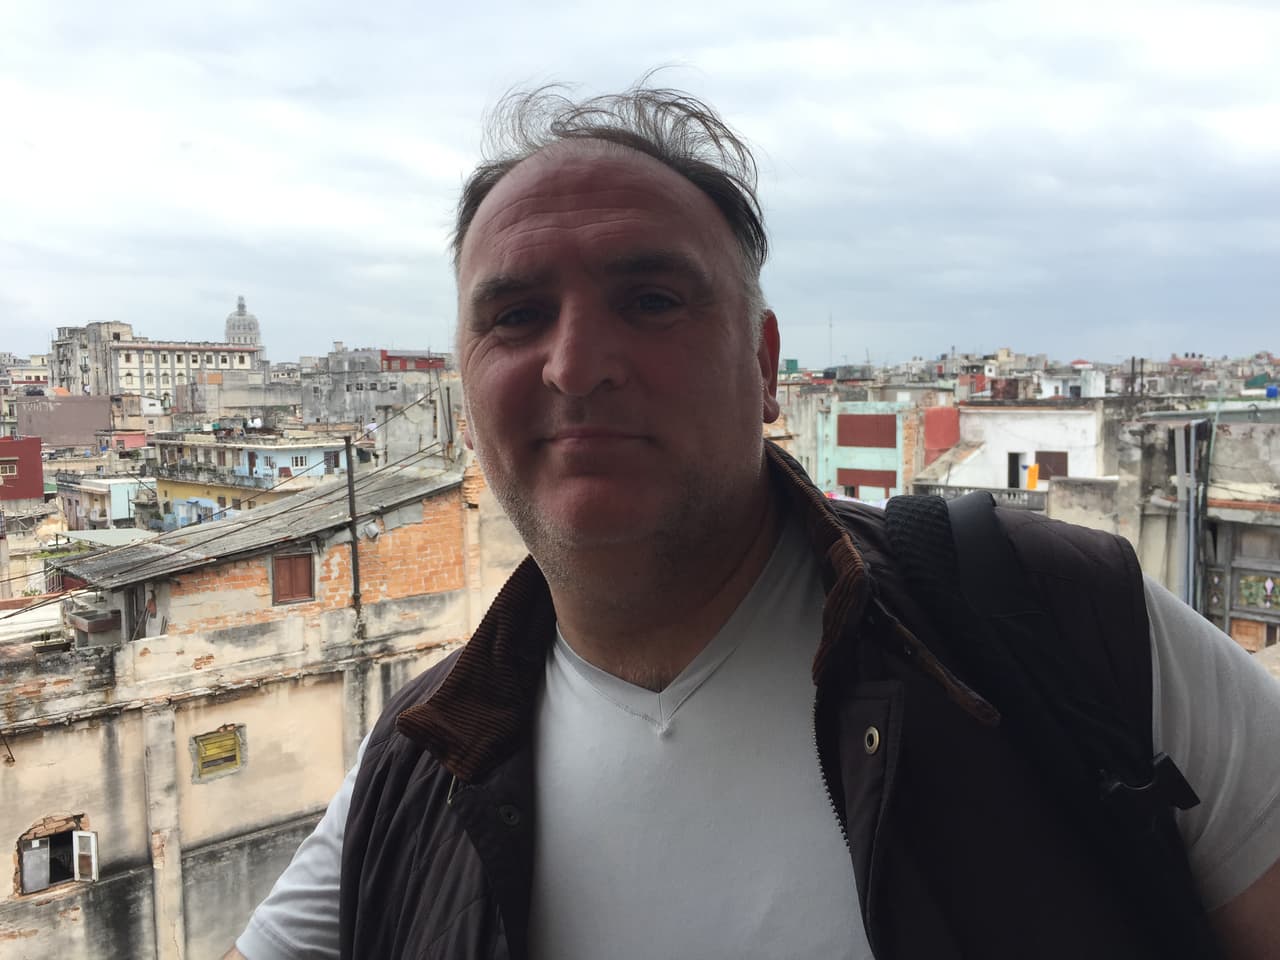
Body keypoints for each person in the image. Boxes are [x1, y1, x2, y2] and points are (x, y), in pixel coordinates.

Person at [228, 81, 1280, 960]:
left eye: (650, 300)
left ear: (765, 364)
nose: (575, 364)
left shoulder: (1056, 625)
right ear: (464, 385)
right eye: (514, 315)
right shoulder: (418, 768)